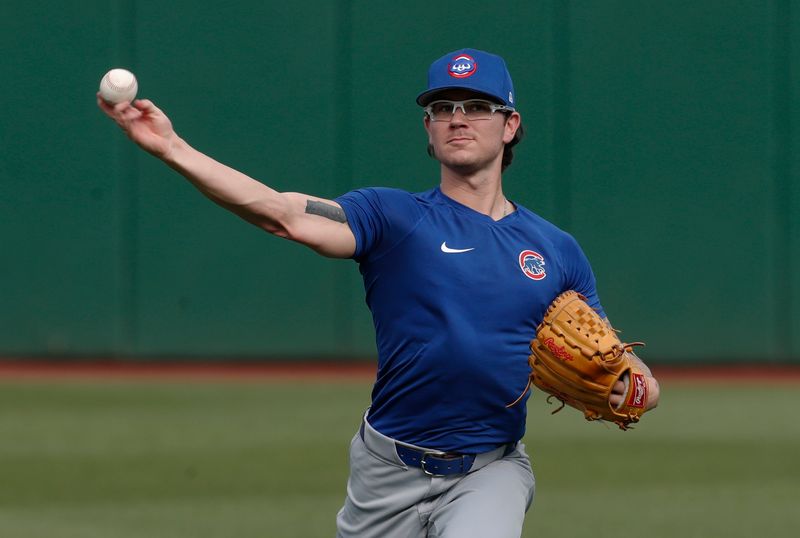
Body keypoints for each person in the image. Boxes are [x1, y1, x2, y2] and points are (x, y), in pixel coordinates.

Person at [98, 48, 660, 538]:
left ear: (510, 125)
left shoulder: (555, 249)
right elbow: (283, 214)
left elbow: (617, 361)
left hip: (492, 469)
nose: (457, 119)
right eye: (443, 108)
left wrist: (640, 390)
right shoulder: (393, 217)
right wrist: (172, 147)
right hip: (385, 469)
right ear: (428, 129)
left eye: (476, 106)